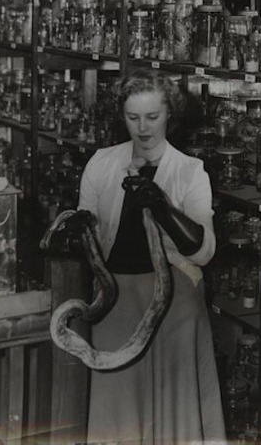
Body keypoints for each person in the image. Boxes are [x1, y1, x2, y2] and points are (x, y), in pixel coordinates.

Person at [78, 69, 227, 444]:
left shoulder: (191, 172)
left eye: (152, 117)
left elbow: (205, 252)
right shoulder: (101, 163)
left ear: (169, 116)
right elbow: (88, 235)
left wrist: (162, 206)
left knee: (174, 418)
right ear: (122, 116)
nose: (142, 128)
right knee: (117, 411)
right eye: (133, 117)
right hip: (115, 300)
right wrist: (73, 233)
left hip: (174, 302)